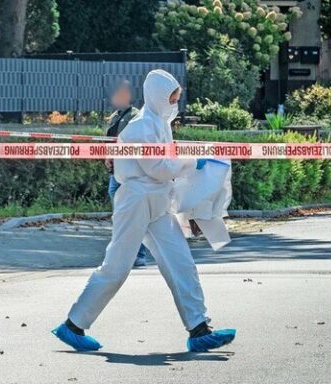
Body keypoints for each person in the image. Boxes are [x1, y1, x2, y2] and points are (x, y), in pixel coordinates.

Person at [52, 70, 236, 353]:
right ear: (158, 96)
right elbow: (159, 168)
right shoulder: (139, 128)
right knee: (116, 267)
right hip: (136, 201)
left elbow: (165, 168)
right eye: (172, 97)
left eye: (177, 97)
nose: (175, 103)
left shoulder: (161, 125)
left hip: (158, 203)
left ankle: (199, 329)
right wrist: (190, 162)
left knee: (181, 262)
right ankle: (74, 324)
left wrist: (186, 170)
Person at [104, 80, 149, 267]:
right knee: (122, 215)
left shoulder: (135, 116)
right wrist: (107, 157)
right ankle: (125, 253)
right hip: (116, 171)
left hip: (128, 172)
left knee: (131, 215)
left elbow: (134, 143)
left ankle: (138, 254)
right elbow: (110, 141)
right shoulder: (116, 116)